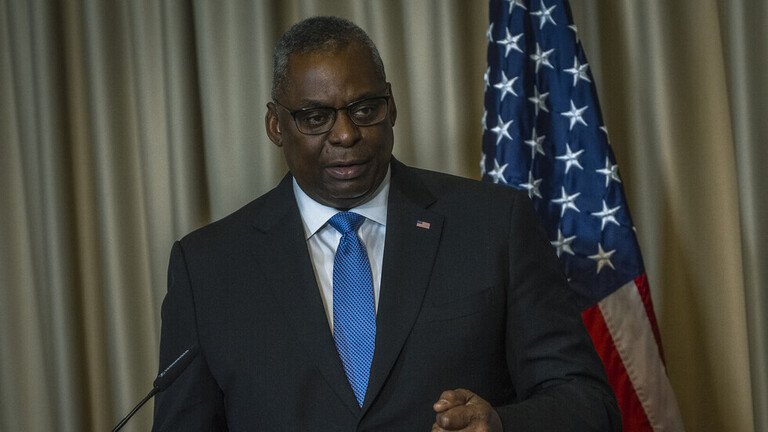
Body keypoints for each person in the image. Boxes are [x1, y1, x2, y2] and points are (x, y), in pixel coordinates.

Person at [152, 16, 621, 431]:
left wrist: (501, 424)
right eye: (315, 117)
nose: (345, 134)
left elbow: (588, 402)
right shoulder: (207, 268)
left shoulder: (494, 225)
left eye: (364, 109)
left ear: (391, 106)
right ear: (276, 125)